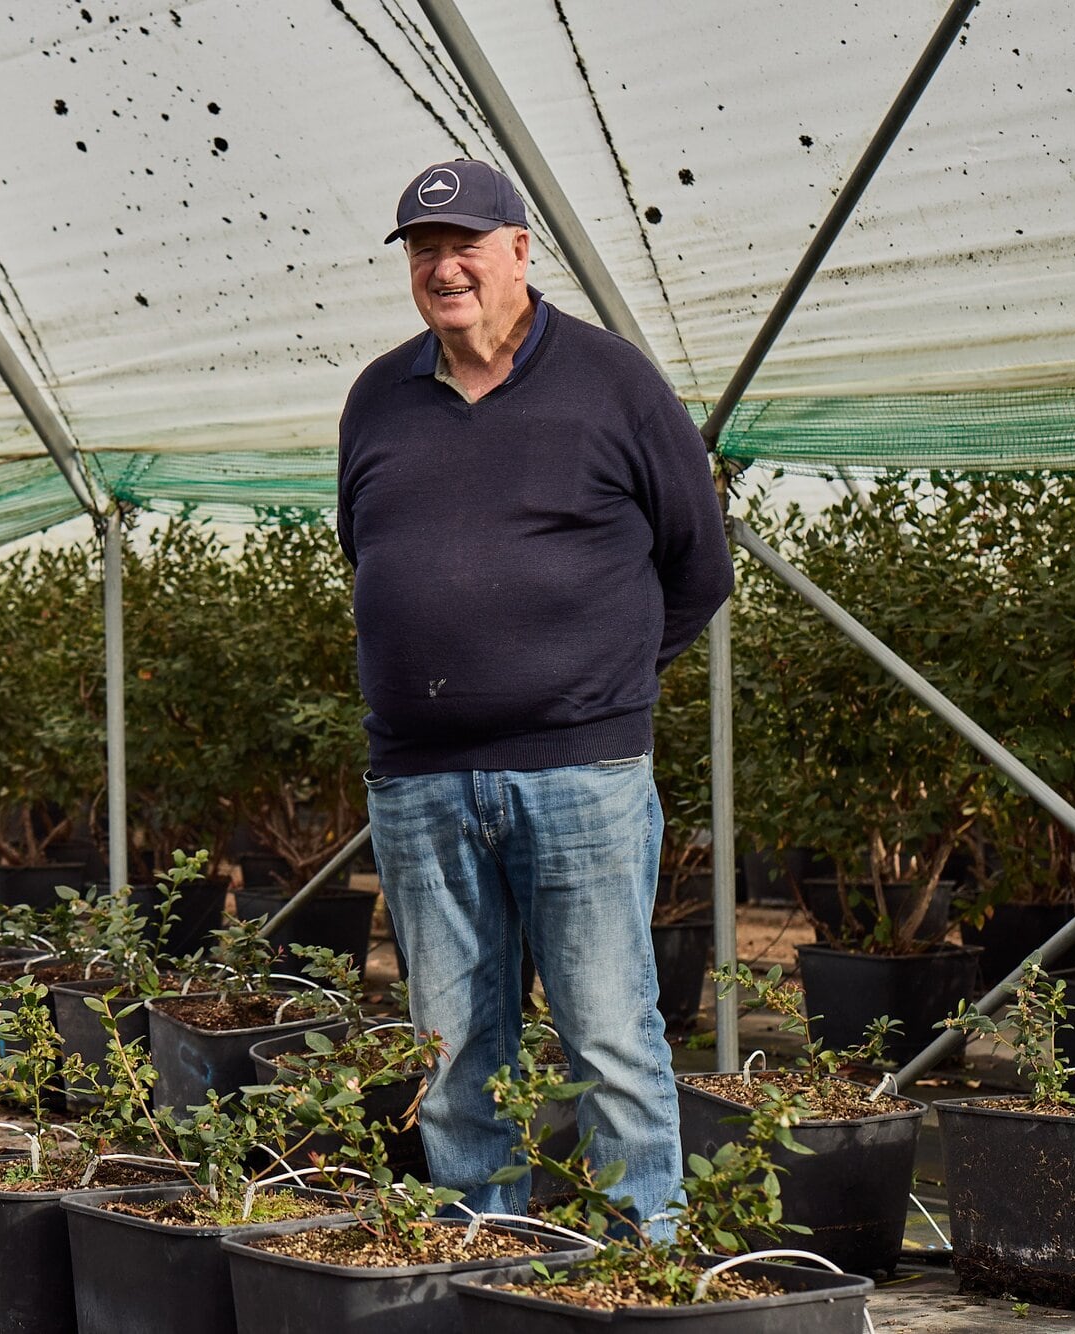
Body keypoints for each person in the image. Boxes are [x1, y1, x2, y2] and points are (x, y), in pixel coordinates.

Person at [336, 158, 733, 1228]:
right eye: (422, 250)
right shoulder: (377, 395)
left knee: (607, 1031)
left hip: (579, 773)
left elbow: (697, 567)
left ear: (520, 249)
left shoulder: (613, 382)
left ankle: (641, 1251)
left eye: (464, 243)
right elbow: (367, 554)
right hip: (417, 780)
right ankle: (484, 1248)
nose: (443, 266)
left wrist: (594, 687)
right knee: (454, 1043)